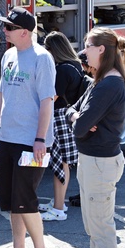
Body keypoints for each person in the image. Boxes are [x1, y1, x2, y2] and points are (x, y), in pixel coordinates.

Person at [0, 7, 56, 248]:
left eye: (9, 28)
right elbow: (1, 98)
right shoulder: (9, 56)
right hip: (10, 139)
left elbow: (47, 101)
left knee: (26, 200)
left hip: (31, 143)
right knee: (13, 201)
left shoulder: (42, 58)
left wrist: (40, 139)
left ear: (25, 32)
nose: (5, 31)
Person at [63, 27, 125, 248]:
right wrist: (80, 118)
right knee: (94, 228)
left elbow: (77, 124)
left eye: (88, 45)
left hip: (101, 165)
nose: (83, 50)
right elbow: (71, 112)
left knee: (102, 230)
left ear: (101, 49)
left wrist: (80, 120)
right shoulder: (98, 81)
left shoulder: (108, 86)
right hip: (92, 161)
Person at [40, 31, 88, 222]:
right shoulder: (75, 65)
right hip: (68, 116)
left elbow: (52, 98)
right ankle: (58, 202)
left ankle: (58, 208)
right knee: (64, 164)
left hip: (59, 117)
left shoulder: (61, 70)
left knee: (60, 164)